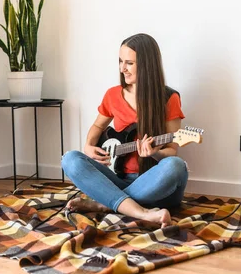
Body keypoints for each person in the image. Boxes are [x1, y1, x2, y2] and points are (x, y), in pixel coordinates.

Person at [61, 33, 188, 228]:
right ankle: (140, 211)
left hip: (153, 185)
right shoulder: (113, 95)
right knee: (70, 159)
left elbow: (172, 150)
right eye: (120, 61)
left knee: (176, 166)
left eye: (129, 63)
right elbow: (98, 126)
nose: (122, 68)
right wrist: (88, 146)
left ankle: (105, 203)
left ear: (146, 64)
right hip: (118, 179)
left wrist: (156, 153)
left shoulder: (169, 98)